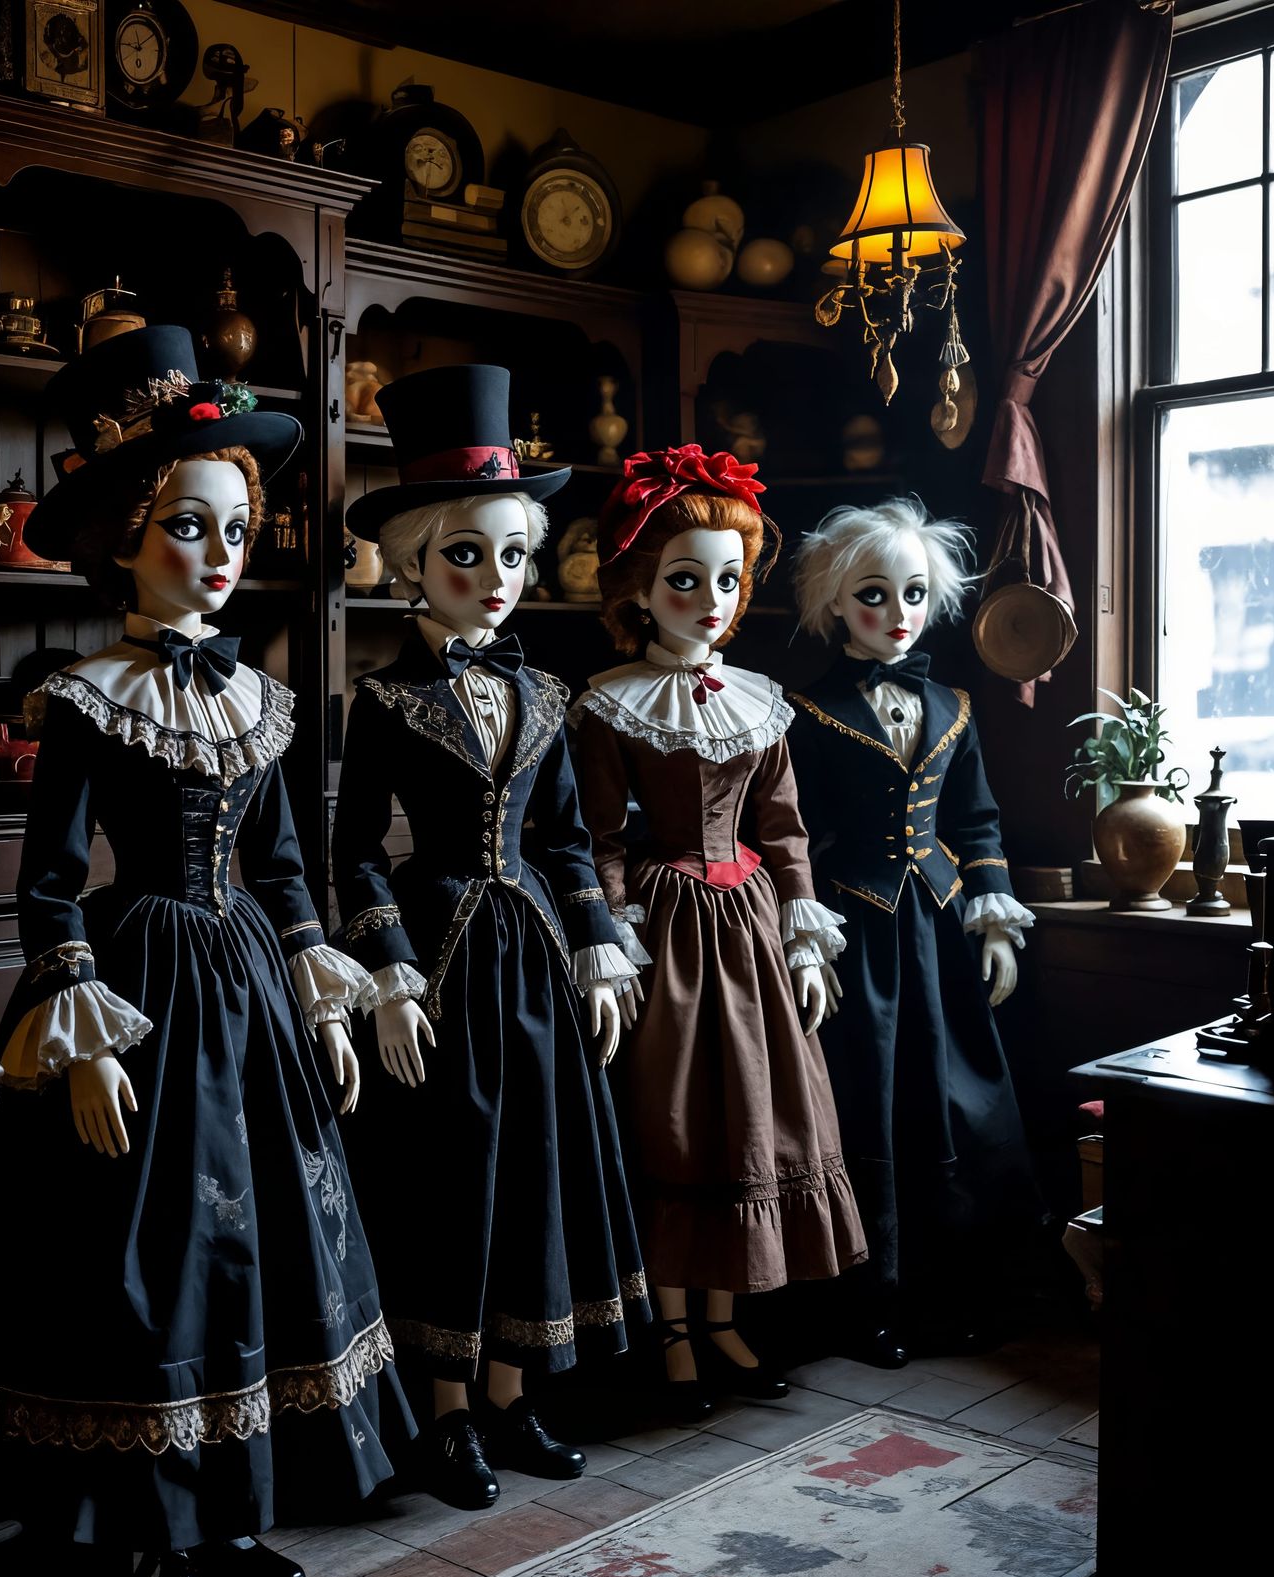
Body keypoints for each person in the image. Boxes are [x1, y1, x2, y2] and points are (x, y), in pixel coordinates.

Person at [0, 328, 411, 1577]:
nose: (218, 559)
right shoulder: (86, 694)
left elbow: (281, 868)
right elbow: (50, 878)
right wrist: (82, 1029)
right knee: (143, 1260)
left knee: (262, 1246)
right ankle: (139, 1528)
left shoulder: (256, 697)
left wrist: (324, 984)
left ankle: (228, 1511)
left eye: (234, 532)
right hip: (140, 983)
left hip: (253, 988)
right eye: (188, 529)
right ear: (124, 533)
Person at [331, 364, 647, 1511]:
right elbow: (355, 849)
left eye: (512, 554)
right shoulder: (381, 702)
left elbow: (567, 837)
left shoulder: (547, 695)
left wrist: (598, 943)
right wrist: (387, 970)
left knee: (534, 1173)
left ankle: (510, 1390)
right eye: (467, 555)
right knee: (450, 1180)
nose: (497, 581)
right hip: (445, 961)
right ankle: (447, 1411)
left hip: (536, 967)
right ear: (412, 562)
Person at [570, 445, 866, 1420]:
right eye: (683, 579)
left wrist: (804, 936)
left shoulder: (758, 702)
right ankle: (675, 1326)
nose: (708, 599)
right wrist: (614, 940)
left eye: (726, 580)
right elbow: (601, 837)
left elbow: (782, 832)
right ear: (640, 589)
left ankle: (727, 1314)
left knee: (752, 1118)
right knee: (679, 1123)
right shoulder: (610, 704)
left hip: (745, 928)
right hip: (670, 935)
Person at [787, 496, 1043, 1369]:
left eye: (913, 596)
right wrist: (808, 936)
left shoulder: (956, 706)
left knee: (959, 1100)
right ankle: (873, 1301)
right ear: (833, 605)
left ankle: (962, 1290)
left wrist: (995, 920)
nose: (896, 615)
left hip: (939, 931)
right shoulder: (806, 714)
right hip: (862, 933)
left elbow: (976, 823)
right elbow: (792, 834)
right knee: (876, 1100)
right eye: (873, 596)